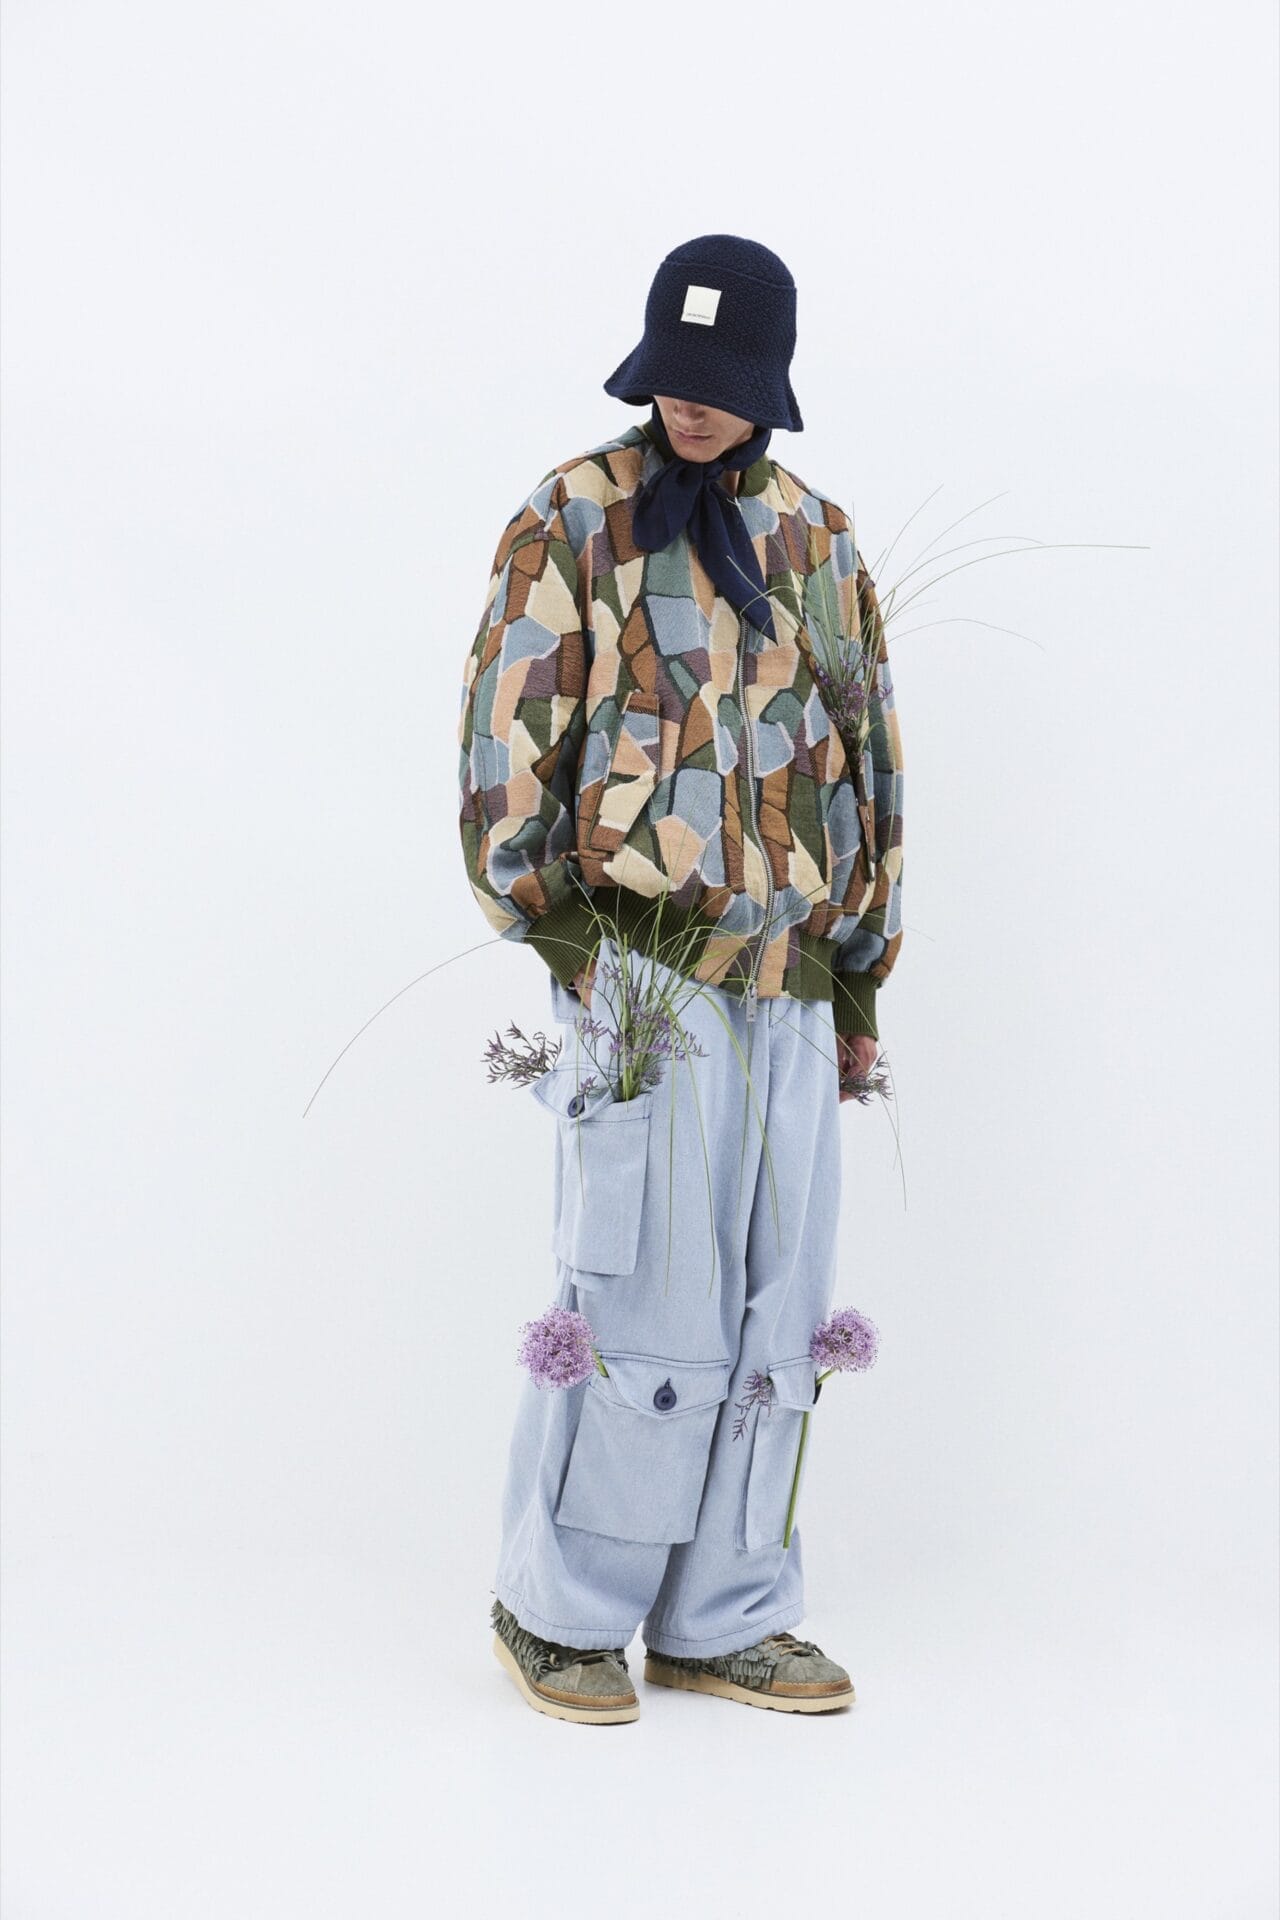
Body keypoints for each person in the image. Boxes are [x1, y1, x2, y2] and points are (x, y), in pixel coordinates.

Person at [457, 233, 905, 1723]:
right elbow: (506, 744)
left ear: (771, 378)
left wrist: (856, 981)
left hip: (792, 982)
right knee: (641, 1288)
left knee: (782, 1304)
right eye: (673, 379)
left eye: (720, 383)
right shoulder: (573, 518)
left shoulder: (819, 542)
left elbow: (871, 769)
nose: (691, 407)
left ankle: (727, 1614)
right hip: (643, 973)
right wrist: (571, 948)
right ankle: (561, 1611)